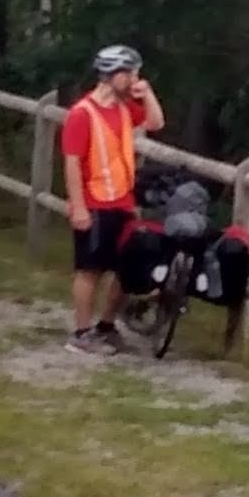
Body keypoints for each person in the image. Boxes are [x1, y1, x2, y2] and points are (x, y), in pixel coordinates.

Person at [59, 45, 168, 346]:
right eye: (130, 73)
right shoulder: (82, 114)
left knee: (127, 267)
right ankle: (81, 332)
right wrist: (78, 208)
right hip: (94, 201)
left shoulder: (123, 107)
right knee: (89, 270)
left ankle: (106, 325)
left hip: (123, 200)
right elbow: (71, 163)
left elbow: (156, 122)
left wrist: (146, 93)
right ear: (112, 75)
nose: (135, 78)